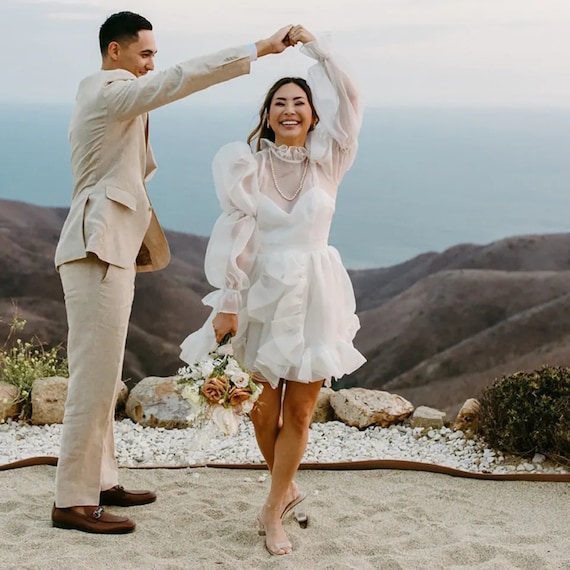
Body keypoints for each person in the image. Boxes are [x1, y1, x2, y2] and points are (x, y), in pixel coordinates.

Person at [52, 11, 294, 534]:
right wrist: (257, 50)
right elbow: (178, 79)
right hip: (96, 248)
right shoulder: (109, 88)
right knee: (90, 380)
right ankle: (72, 500)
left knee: (103, 375)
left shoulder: (111, 92)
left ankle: (99, 480)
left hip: (109, 248)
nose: (151, 64)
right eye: (145, 54)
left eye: (154, 55)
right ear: (115, 52)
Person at [179, 25, 366, 555]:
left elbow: (350, 97)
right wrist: (228, 304)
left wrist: (317, 49)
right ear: (266, 115)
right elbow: (236, 240)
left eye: (299, 102)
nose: (290, 109)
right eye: (279, 102)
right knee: (263, 412)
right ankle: (285, 490)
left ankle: (272, 508)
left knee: (302, 412)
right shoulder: (248, 167)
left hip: (315, 294)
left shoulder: (330, 162)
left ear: (312, 114)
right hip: (260, 294)